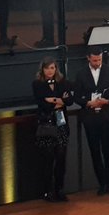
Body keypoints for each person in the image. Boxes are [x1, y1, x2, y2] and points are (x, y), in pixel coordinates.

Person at [74, 49, 109, 195]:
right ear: (88, 58)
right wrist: (88, 103)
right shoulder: (81, 73)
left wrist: (107, 101)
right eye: (94, 60)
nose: (97, 63)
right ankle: (101, 183)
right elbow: (76, 96)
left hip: (106, 116)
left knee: (107, 150)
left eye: (99, 60)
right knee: (95, 151)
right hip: (90, 117)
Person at [32, 57, 72, 203]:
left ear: (56, 69)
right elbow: (41, 103)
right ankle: (47, 190)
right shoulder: (37, 84)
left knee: (61, 158)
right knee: (48, 159)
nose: (50, 71)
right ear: (42, 69)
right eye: (47, 68)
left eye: (52, 68)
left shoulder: (63, 82)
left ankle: (59, 189)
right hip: (46, 125)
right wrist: (58, 100)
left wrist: (52, 100)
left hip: (61, 123)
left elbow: (69, 101)